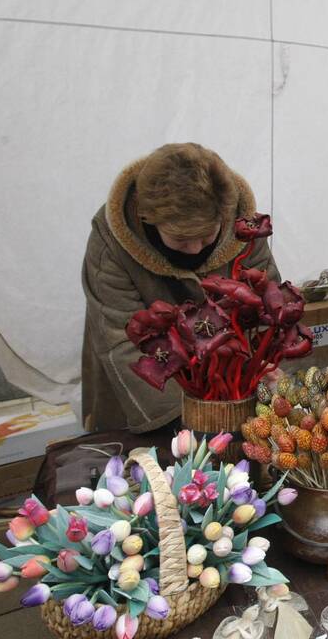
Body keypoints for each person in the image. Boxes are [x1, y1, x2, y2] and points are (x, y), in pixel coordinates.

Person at [81, 143, 279, 433]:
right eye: (181, 241)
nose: (195, 250)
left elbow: (267, 306)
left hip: (233, 390)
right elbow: (121, 341)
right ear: (148, 217)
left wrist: (265, 369)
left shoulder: (242, 225)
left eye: (207, 236)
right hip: (147, 393)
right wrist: (189, 423)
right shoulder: (110, 243)